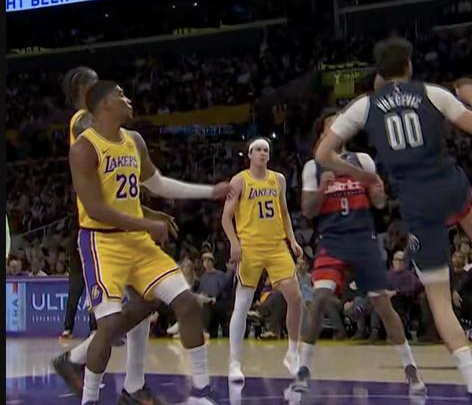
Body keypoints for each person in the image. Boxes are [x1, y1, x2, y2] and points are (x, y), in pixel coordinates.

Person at [314, 37, 472, 404]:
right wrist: (471, 95)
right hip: (450, 186)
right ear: (409, 64)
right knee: (466, 211)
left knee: (439, 300)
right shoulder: (431, 92)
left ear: (379, 73)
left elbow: (322, 154)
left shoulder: (364, 105)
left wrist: (363, 176)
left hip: (417, 203)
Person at [69, 80, 229, 405]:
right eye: (120, 95)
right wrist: (148, 223)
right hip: (102, 243)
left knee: (187, 303)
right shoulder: (84, 148)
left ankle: (201, 393)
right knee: (109, 325)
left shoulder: (135, 141)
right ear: (104, 104)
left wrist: (210, 191)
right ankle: (89, 399)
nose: (128, 99)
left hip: (137, 242)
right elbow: (96, 209)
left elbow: (157, 184)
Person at [53, 67, 182, 405]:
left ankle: (129, 382)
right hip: (100, 230)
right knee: (135, 305)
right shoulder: (83, 121)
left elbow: (119, 186)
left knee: (146, 301)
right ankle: (89, 365)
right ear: (82, 88)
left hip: (121, 224)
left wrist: (147, 212)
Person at [291, 110, 426, 396]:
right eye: (331, 126)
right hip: (332, 241)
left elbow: (379, 202)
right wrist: (322, 188)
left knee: (382, 303)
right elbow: (308, 211)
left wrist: (376, 190)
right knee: (319, 299)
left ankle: (410, 367)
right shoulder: (313, 167)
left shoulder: (362, 160)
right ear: (323, 134)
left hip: (364, 240)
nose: (337, 130)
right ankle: (303, 368)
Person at [221, 137, 303, 383]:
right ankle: (235, 362)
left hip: (277, 246)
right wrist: (234, 243)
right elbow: (226, 218)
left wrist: (293, 240)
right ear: (249, 154)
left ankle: (292, 353)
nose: (262, 153)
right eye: (257, 149)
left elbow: (284, 213)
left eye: (265, 150)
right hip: (250, 247)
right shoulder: (239, 181)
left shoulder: (278, 179)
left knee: (296, 297)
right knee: (242, 304)